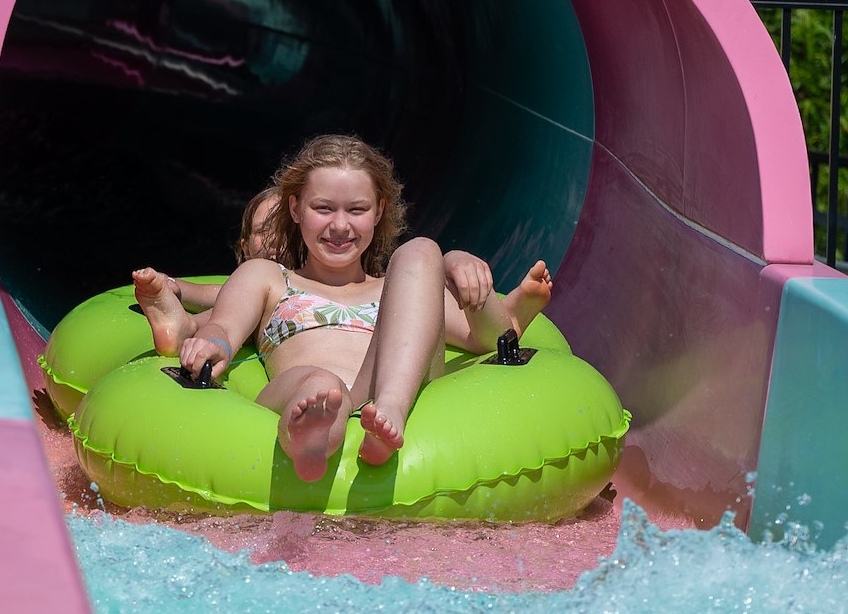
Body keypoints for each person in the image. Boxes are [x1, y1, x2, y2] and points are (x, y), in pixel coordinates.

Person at [139, 134, 553, 482]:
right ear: (296, 208)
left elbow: (488, 339)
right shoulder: (268, 276)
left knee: (424, 249)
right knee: (321, 385)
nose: (340, 226)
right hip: (306, 386)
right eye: (323, 209)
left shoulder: (402, 288)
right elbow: (226, 327)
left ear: (379, 212)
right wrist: (212, 342)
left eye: (356, 210)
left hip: (381, 392)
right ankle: (312, 435)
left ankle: (389, 410)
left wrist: (461, 264)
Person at [133, 186, 281, 356]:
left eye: (284, 231)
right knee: (234, 303)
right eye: (263, 231)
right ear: (245, 247)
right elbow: (218, 294)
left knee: (242, 310)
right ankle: (183, 323)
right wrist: (173, 286)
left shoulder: (305, 284)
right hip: (241, 308)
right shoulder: (250, 285)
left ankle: (190, 326)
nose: (274, 240)